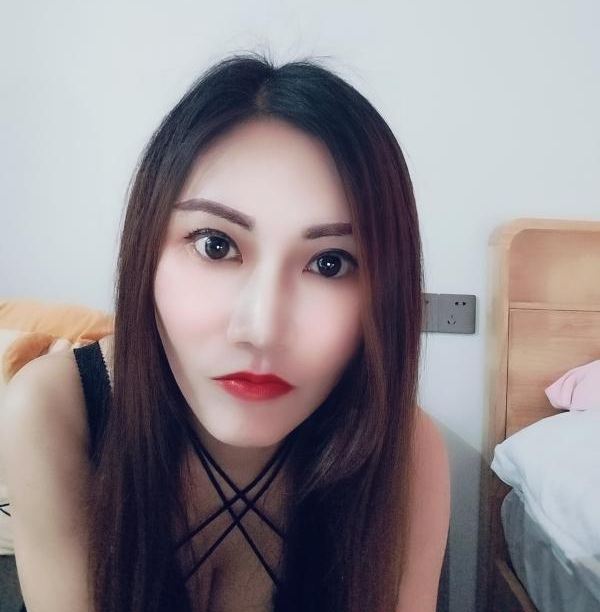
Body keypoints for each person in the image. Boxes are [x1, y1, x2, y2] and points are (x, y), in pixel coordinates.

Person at [0, 52, 450, 612]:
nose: (261, 329)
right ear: (147, 251)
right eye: (217, 246)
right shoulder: (52, 408)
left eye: (330, 263)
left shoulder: (407, 451)